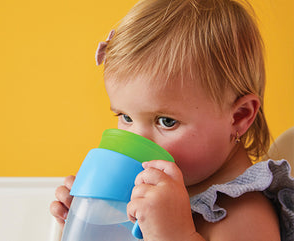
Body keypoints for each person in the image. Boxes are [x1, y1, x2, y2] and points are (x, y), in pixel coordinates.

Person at [50, 0, 294, 240]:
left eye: (166, 121)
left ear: (238, 117)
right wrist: (84, 220)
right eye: (125, 117)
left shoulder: (243, 211)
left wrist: (175, 235)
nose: (136, 139)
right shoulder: (165, 185)